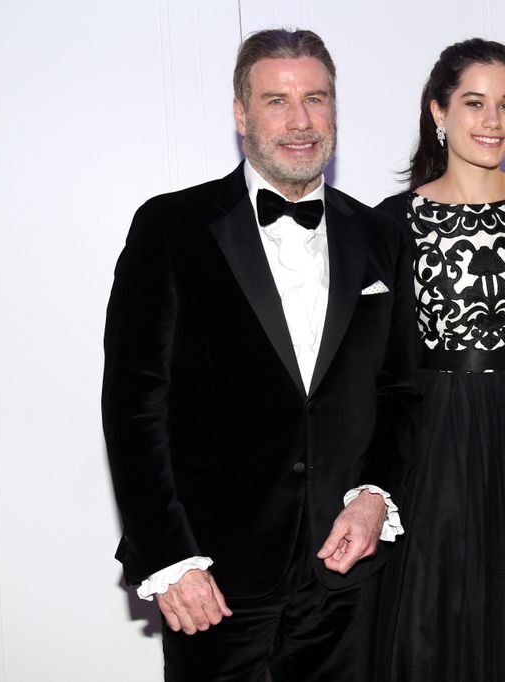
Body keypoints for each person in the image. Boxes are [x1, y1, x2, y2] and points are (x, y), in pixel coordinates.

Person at [101, 28, 418, 682]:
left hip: (346, 578)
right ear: (241, 114)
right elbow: (134, 409)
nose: (300, 121)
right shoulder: (170, 229)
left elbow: (400, 391)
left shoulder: (381, 235)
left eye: (316, 99)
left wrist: (375, 495)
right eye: (277, 101)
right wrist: (171, 559)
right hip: (213, 582)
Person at [373, 38, 505, 681]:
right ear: (439, 112)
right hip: (436, 435)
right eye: (474, 103)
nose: (492, 121)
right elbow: (376, 363)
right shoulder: (395, 220)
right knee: (437, 613)